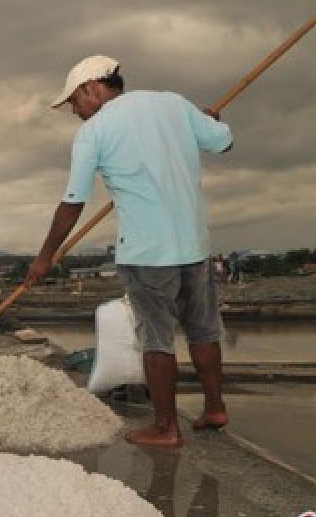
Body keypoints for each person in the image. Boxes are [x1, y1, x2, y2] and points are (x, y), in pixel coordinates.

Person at [26, 55, 232, 448]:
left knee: (156, 338)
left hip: (147, 253)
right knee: (203, 330)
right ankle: (214, 408)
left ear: (93, 87)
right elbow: (223, 140)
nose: (74, 111)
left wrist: (44, 257)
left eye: (74, 101)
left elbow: (73, 202)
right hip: (194, 245)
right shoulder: (174, 104)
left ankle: (166, 427)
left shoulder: (94, 132)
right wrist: (209, 120)